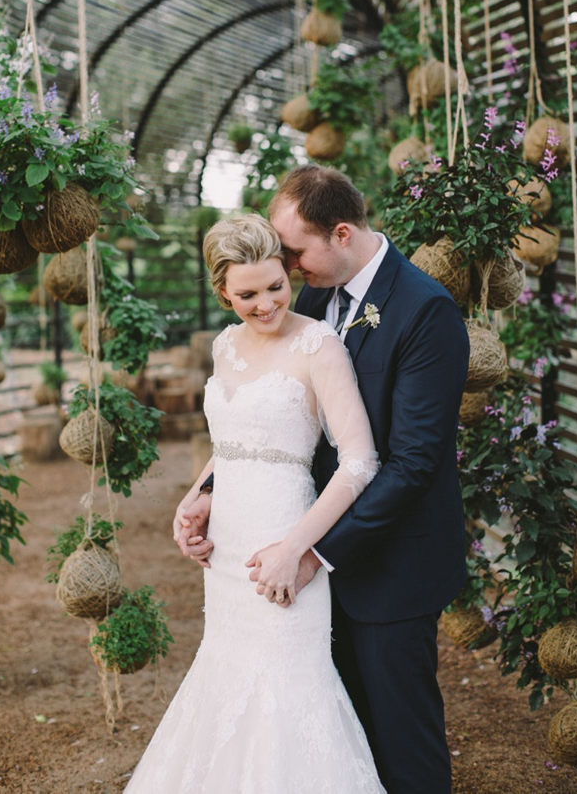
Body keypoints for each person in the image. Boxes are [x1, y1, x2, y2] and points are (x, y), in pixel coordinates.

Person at [179, 165, 469, 794]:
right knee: (332, 739)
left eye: (294, 252)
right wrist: (207, 493)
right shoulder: (304, 295)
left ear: (340, 234)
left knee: (401, 739)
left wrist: (311, 552)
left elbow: (414, 462)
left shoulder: (425, 311)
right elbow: (268, 420)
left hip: (391, 563)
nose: (283, 269)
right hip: (295, 563)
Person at [125, 214, 386, 793]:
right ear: (222, 292)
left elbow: (360, 462)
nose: (266, 304)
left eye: (276, 287)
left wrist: (296, 548)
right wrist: (194, 500)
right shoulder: (223, 346)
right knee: (226, 681)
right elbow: (230, 446)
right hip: (227, 555)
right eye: (247, 295)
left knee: (291, 689)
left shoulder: (319, 344)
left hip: (286, 544)